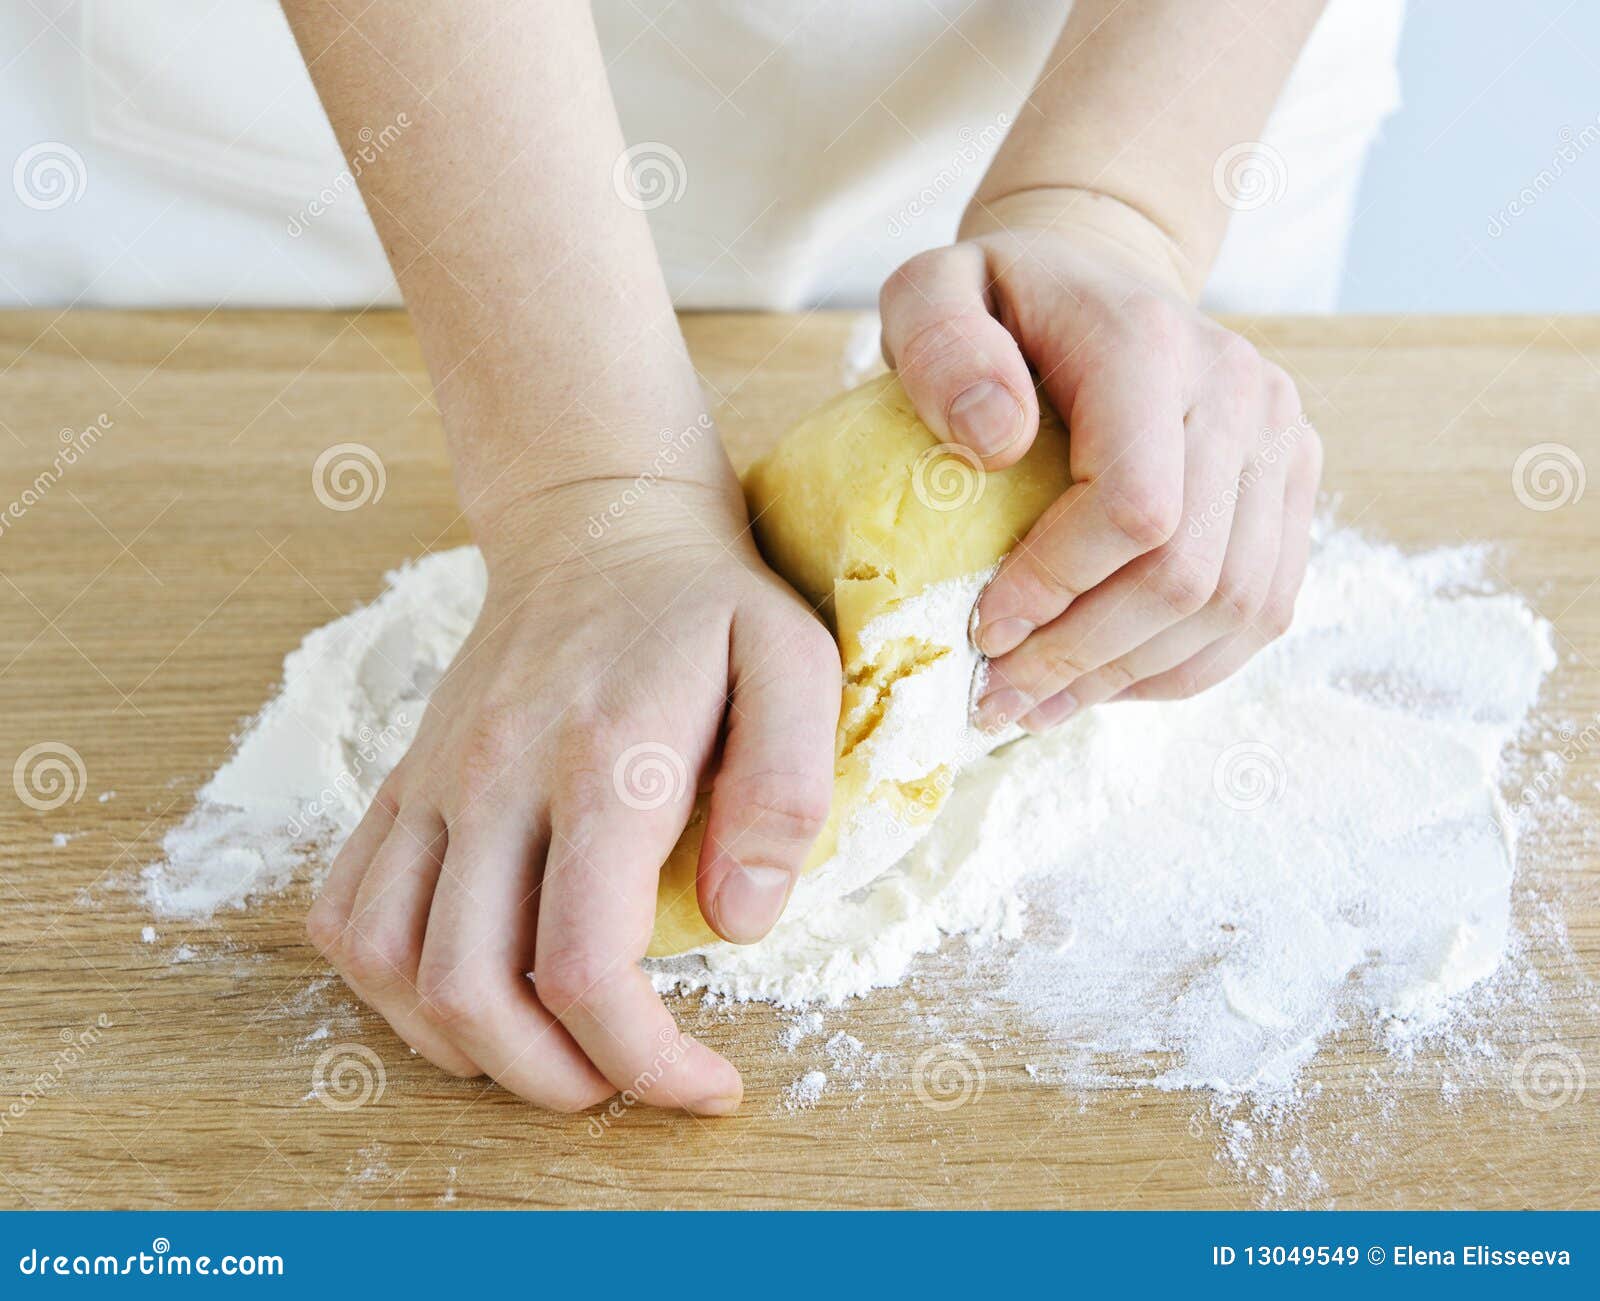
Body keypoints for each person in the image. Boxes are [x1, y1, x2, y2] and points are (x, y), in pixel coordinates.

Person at [4, 0, 1405, 1113]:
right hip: (358, 142)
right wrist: (587, 486)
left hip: (1145, 70)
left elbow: (1125, 204)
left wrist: (1114, 212)